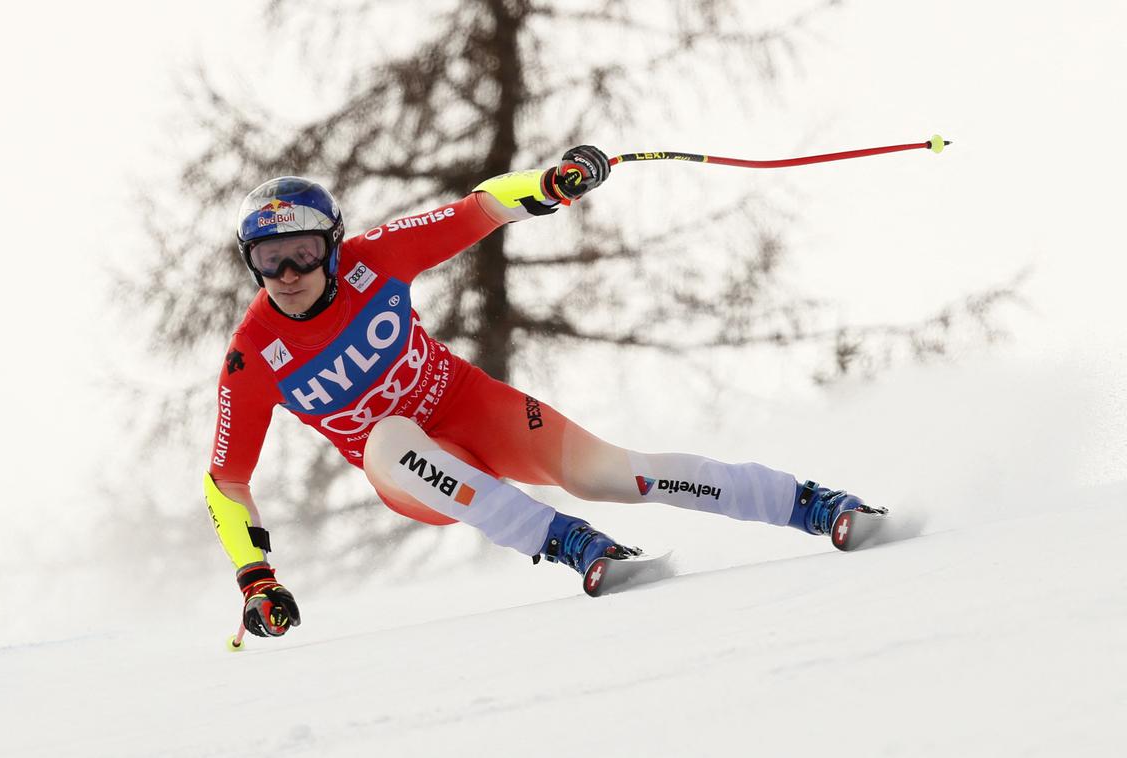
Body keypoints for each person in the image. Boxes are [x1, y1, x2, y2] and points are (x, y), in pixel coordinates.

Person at [205, 146, 878, 638]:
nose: (287, 273)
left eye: (301, 252)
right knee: (388, 436)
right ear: (250, 262)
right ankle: (572, 544)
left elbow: (480, 209)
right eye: (268, 260)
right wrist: (256, 577)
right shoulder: (252, 357)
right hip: (412, 472)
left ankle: (814, 506)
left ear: (333, 245)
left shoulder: (375, 260)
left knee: (612, 472)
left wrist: (553, 184)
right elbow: (227, 481)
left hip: (472, 407)